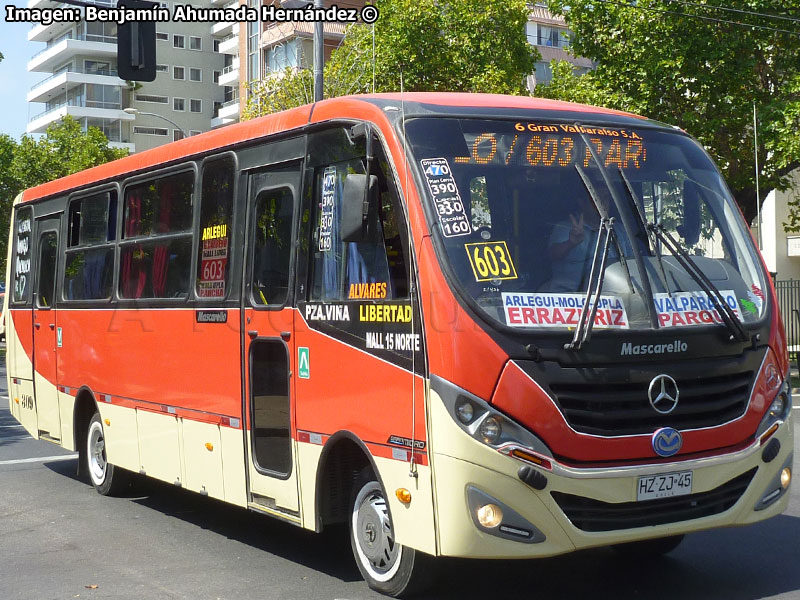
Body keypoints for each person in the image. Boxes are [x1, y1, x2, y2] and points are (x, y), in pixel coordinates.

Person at [547, 191, 604, 293]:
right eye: (597, 198)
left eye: (606, 198)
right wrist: (571, 243)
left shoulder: (620, 230)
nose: (603, 202)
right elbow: (552, 255)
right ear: (582, 203)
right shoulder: (565, 228)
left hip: (612, 295)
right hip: (572, 298)